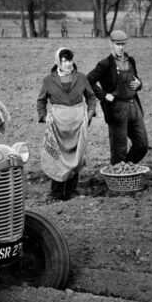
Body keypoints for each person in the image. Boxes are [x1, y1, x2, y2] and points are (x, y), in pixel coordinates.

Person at [37, 48, 97, 201]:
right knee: (57, 156)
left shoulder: (81, 78)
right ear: (58, 62)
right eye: (64, 61)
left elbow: (91, 97)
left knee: (75, 156)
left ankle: (71, 190)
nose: (68, 64)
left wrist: (89, 115)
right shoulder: (48, 80)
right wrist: (45, 118)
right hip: (57, 124)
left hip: (77, 123)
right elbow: (41, 100)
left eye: (70, 60)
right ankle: (56, 192)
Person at [87, 30, 148, 165]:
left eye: (123, 44)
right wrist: (103, 95)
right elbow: (88, 80)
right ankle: (119, 179)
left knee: (142, 145)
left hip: (134, 108)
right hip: (117, 109)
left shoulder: (130, 61)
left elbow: (136, 79)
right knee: (119, 149)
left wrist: (139, 84)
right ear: (111, 44)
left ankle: (126, 167)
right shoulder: (105, 64)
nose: (121, 47)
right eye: (118, 44)